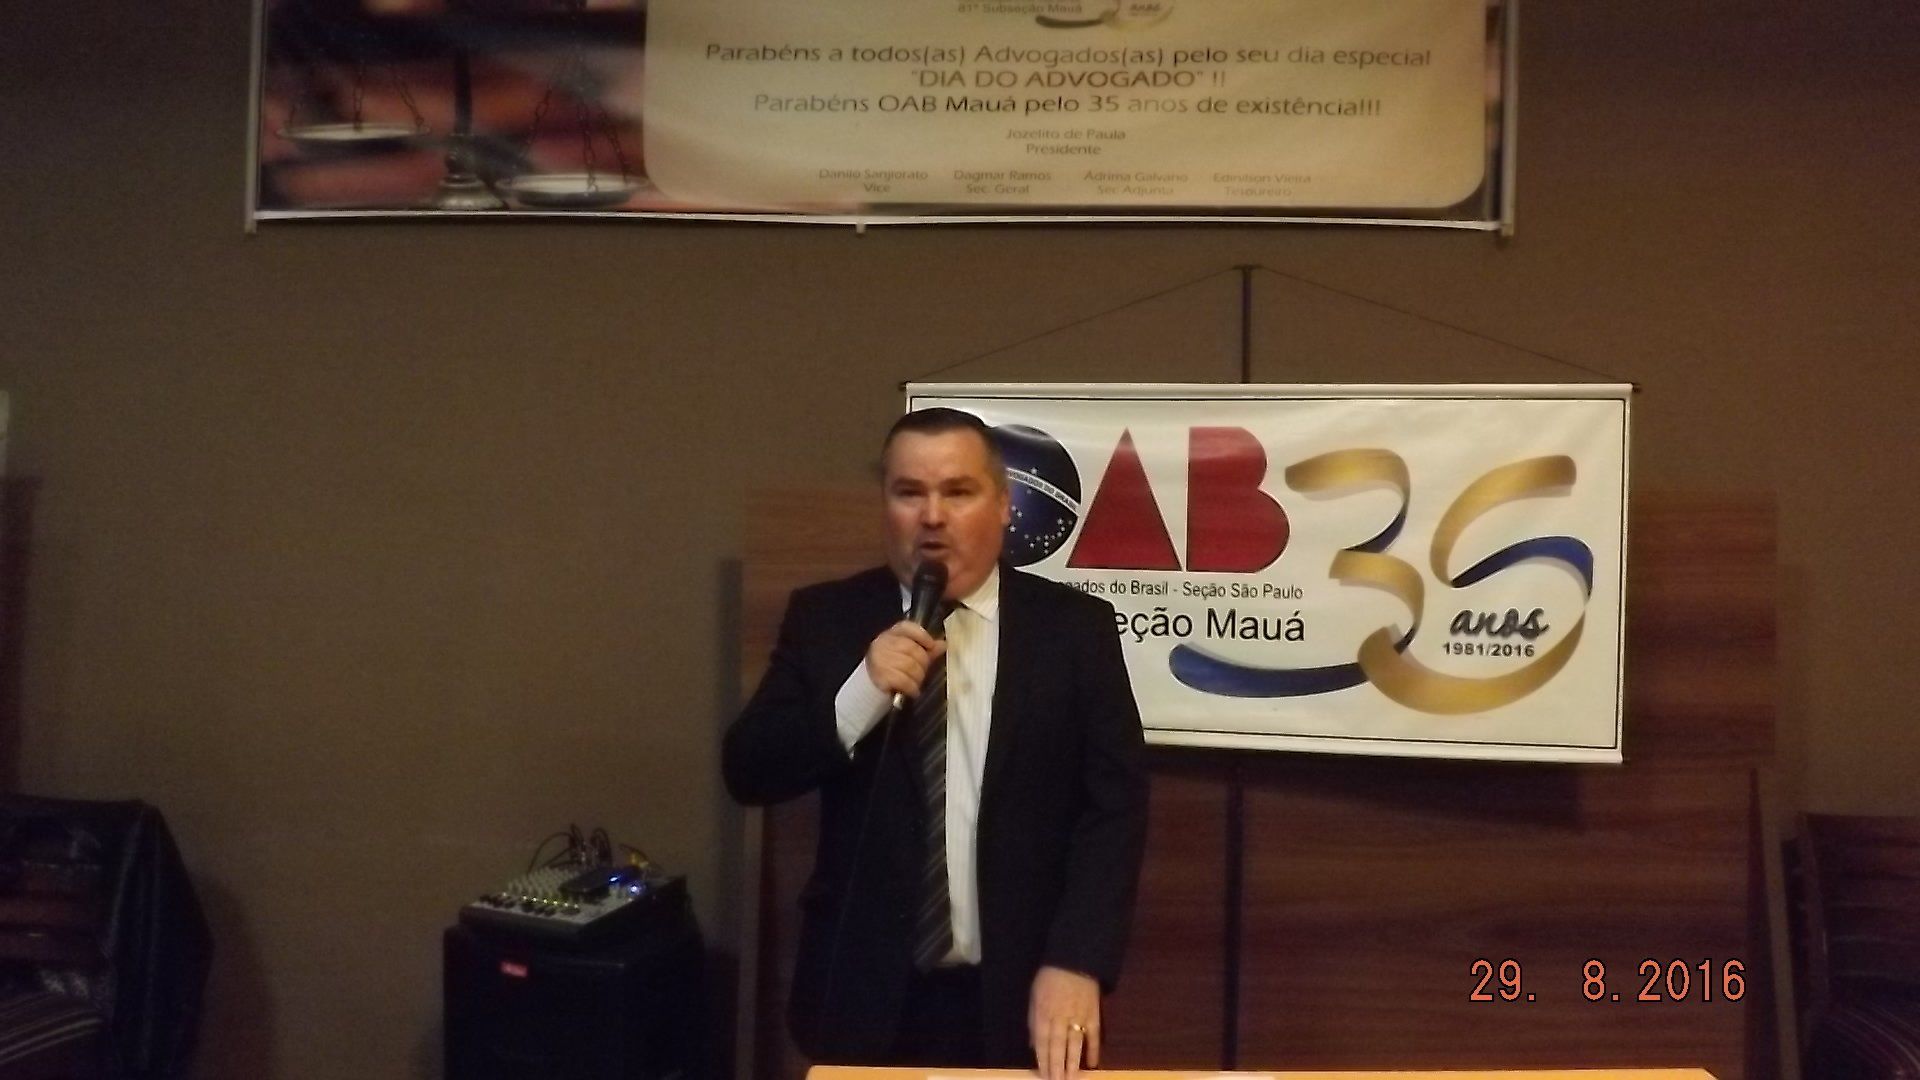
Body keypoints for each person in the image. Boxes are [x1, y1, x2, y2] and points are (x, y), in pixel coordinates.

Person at [724, 408, 1149, 1080]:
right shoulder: (826, 618)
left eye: (958, 492)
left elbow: (1115, 810)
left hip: (1019, 993)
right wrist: (859, 696)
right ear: (885, 505)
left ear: (1003, 506)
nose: (932, 516)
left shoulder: (1074, 631)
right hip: (863, 993)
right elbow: (748, 769)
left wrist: (1077, 960)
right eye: (909, 492)